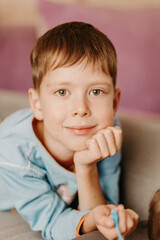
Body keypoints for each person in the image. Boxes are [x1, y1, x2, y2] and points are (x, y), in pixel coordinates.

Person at [0, 21, 138, 240]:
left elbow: (101, 212)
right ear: (37, 105)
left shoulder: (108, 131)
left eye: (96, 91)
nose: (81, 109)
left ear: (114, 103)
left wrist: (86, 166)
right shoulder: (13, 150)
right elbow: (52, 225)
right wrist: (93, 217)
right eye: (63, 92)